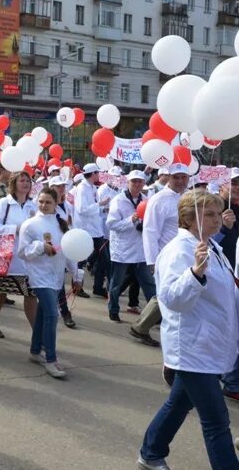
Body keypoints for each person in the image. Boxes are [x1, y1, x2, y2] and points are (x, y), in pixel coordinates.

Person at [137, 190, 239, 470]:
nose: (217, 220)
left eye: (218, 214)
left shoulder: (210, 246)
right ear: (188, 218)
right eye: (208, 214)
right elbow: (171, 299)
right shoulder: (177, 250)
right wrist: (195, 272)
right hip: (193, 347)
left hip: (210, 343)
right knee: (217, 422)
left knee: (179, 404)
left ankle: (150, 453)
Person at [18, 187, 83, 379]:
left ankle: (35, 350)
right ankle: (51, 360)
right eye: (41, 201)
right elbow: (23, 252)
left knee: (43, 313)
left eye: (48, 202)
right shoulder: (30, 225)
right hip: (39, 276)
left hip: (56, 276)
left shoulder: (61, 224)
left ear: (56, 204)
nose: (44, 205)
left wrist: (76, 275)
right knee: (52, 315)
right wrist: (40, 247)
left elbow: (70, 251)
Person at [131, 164, 190, 347]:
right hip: (165, 256)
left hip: (184, 254)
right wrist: (152, 260)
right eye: (176, 177)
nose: (180, 181)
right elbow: (150, 232)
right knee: (167, 294)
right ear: (168, 177)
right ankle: (142, 327)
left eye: (183, 177)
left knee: (173, 293)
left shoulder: (188, 197)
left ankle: (142, 326)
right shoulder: (159, 199)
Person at [0, 171, 39, 338]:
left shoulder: (34, 205)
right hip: (9, 254)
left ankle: (38, 334)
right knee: (1, 291)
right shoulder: (5, 204)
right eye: (21, 180)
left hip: (29, 257)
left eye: (28, 181)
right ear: (14, 184)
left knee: (31, 295)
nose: (25, 183)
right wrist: (14, 229)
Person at [106, 170, 156, 323]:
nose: (137, 184)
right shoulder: (118, 200)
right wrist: (131, 220)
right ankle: (113, 309)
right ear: (128, 183)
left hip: (140, 249)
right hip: (123, 248)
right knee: (117, 282)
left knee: (148, 282)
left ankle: (156, 315)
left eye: (140, 181)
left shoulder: (147, 200)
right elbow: (111, 224)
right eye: (134, 181)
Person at [73, 163, 110, 298]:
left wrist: (103, 209)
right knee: (81, 260)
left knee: (104, 259)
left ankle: (98, 287)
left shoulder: (92, 187)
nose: (99, 175)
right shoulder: (82, 188)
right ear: (93, 174)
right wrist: (100, 204)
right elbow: (82, 209)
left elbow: (92, 208)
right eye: (97, 173)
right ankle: (78, 287)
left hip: (96, 229)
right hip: (85, 230)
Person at [48, 176, 77, 329]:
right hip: (49, 250)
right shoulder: (45, 205)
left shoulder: (67, 205)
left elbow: (71, 226)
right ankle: (63, 312)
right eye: (57, 186)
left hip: (65, 247)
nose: (60, 189)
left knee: (59, 281)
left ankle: (62, 311)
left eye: (62, 186)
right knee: (54, 283)